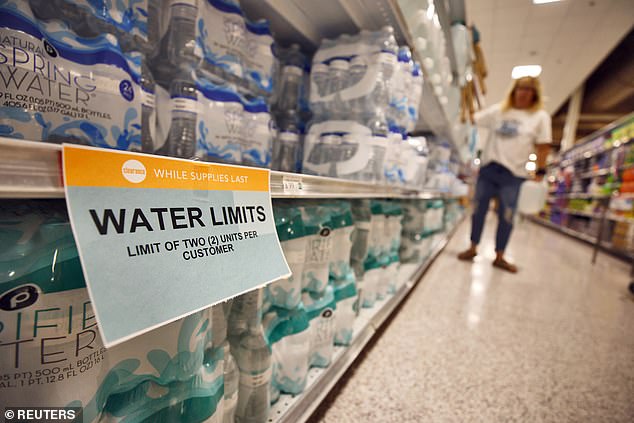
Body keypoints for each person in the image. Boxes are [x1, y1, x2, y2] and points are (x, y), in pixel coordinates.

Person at [458, 76, 551, 272]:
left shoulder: (540, 117)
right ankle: (473, 247)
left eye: (528, 89)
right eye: (520, 88)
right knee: (478, 211)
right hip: (489, 169)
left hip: (514, 175)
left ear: (534, 94)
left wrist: (541, 171)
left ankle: (499, 256)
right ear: (513, 90)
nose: (523, 92)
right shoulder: (499, 111)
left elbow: (543, 147)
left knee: (507, 216)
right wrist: (464, 97)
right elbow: (473, 118)